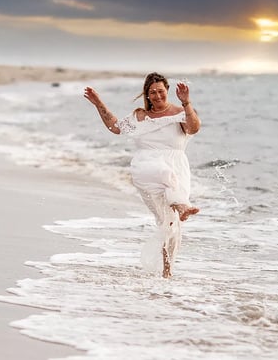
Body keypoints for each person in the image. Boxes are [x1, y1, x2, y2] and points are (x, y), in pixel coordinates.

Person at [83, 72, 201, 278]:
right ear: (147, 95)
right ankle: (182, 204)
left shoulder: (180, 112)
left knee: (169, 223)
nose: (157, 96)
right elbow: (115, 127)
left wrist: (186, 103)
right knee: (163, 173)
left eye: (161, 91)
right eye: (152, 92)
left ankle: (167, 270)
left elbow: (194, 127)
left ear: (168, 91)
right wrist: (97, 103)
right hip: (146, 167)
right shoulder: (140, 117)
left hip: (177, 166)